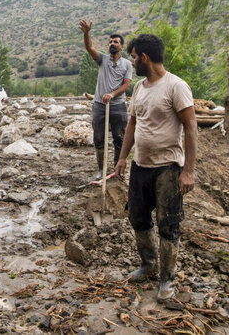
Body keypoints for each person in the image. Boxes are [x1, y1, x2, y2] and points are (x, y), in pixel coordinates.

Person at [115, 33, 198, 302]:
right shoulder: (139, 88)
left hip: (168, 169)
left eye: (134, 56)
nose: (133, 61)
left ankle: (166, 280)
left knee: (168, 224)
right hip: (141, 166)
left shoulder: (176, 86)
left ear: (145, 58)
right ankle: (148, 264)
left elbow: (190, 128)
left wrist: (188, 171)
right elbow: (132, 124)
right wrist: (122, 158)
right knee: (138, 218)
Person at [79, 19, 133, 178]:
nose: (112, 43)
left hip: (118, 105)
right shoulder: (102, 59)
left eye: (116, 42)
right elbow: (89, 47)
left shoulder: (127, 64)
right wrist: (87, 33)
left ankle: (118, 170)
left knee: (119, 138)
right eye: (110, 41)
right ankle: (101, 170)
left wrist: (112, 94)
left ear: (121, 46)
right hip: (99, 105)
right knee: (98, 137)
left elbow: (126, 85)